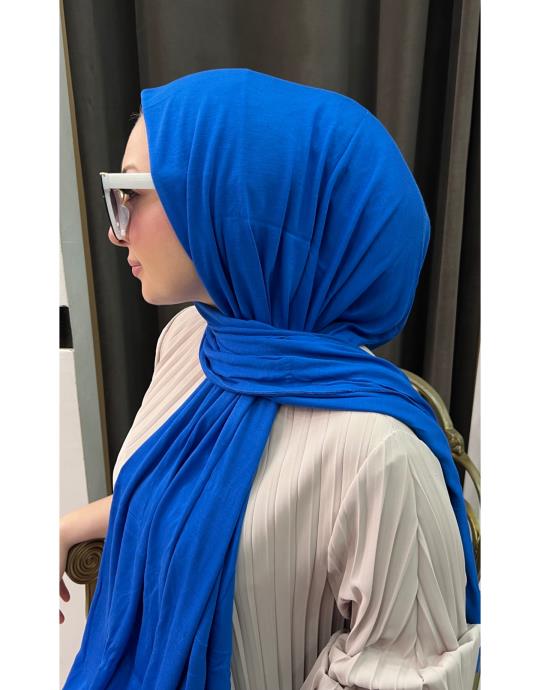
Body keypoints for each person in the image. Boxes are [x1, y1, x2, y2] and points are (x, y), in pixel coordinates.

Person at [60, 68, 480, 689]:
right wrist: (72, 526)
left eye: (131, 193)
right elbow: (192, 493)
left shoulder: (382, 458)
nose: (114, 229)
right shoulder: (193, 342)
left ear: (228, 203)